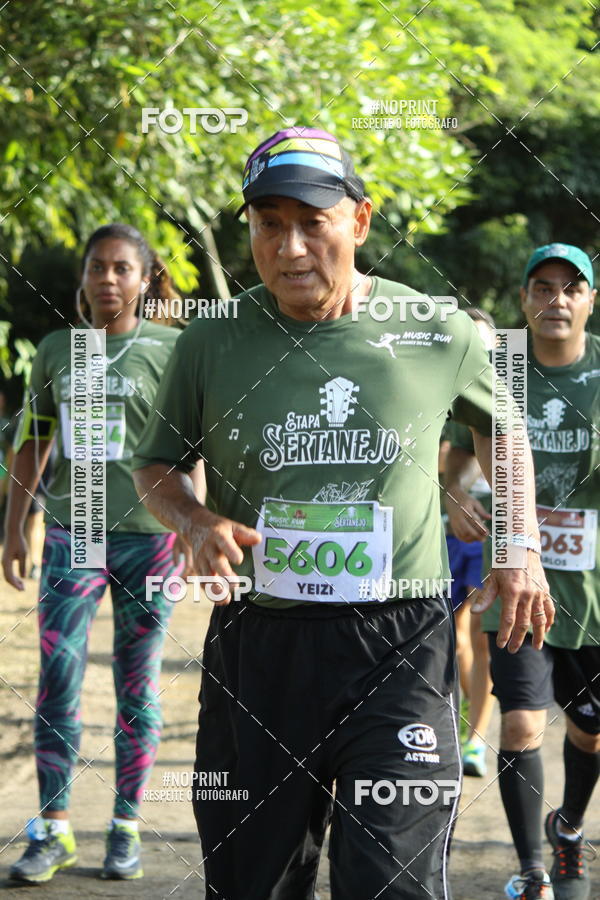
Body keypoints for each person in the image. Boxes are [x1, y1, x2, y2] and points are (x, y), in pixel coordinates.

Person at [131, 126, 551, 900]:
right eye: (268, 224)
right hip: (259, 648)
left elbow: (505, 431)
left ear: (357, 221)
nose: (290, 248)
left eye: (311, 222)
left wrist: (517, 545)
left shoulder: (437, 329)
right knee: (251, 880)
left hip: (401, 645)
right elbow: (154, 466)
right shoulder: (211, 340)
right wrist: (192, 520)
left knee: (391, 879)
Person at [2, 223, 186, 884]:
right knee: (58, 675)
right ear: (82, 278)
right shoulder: (59, 350)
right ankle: (51, 831)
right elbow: (35, 440)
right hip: (73, 532)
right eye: (96, 268)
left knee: (136, 683)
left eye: (121, 269)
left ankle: (124, 827)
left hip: (150, 536)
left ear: (143, 279)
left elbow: (200, 445)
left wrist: (196, 528)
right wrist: (13, 524)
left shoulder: (171, 350)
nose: (107, 279)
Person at [445, 243, 600, 900]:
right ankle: (533, 869)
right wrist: (452, 497)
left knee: (591, 732)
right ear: (524, 299)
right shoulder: (498, 367)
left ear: (591, 300)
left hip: (591, 591)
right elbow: (452, 459)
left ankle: (568, 829)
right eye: (542, 288)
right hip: (512, 584)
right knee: (521, 723)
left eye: (571, 289)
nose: (555, 301)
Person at [444, 308, 496, 777]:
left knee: (479, 638)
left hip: (493, 534)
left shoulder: (509, 394)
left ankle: (475, 740)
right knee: (454, 636)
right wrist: (452, 494)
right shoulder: (441, 387)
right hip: (448, 534)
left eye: (481, 343)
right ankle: (457, 725)